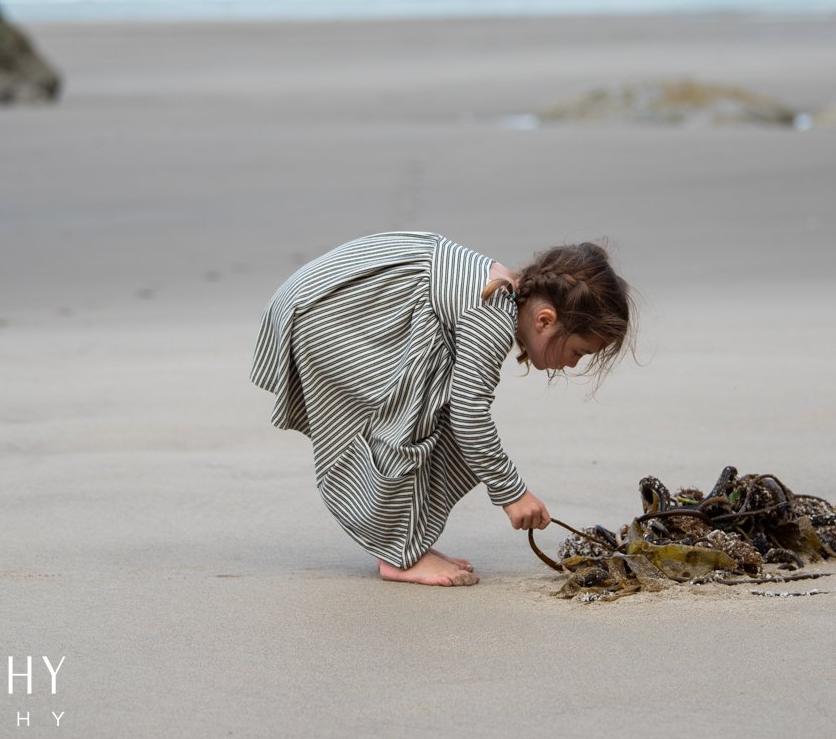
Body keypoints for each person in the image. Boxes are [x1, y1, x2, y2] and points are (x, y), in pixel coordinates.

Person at [250, 231, 634, 587]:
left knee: (432, 410)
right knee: (404, 423)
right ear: (545, 320)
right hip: (329, 314)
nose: (572, 365)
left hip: (332, 300)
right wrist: (512, 493)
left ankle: (406, 544)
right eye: (578, 352)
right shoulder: (492, 317)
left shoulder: (500, 287)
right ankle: (397, 556)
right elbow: (470, 415)